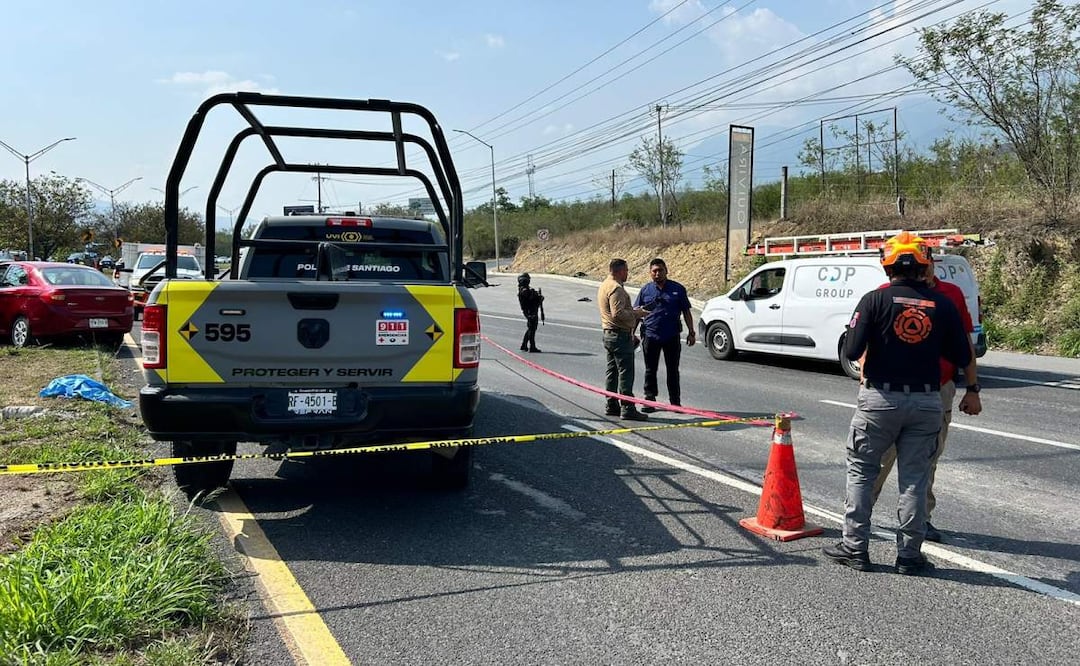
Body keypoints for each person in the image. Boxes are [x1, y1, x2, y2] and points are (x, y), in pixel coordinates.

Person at [823, 231, 972, 576]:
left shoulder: (874, 300)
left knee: (862, 471)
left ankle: (855, 547)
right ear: (924, 265)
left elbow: (850, 350)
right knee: (915, 479)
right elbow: (962, 355)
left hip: (880, 398)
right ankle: (909, 555)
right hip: (926, 400)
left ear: (887, 265)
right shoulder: (944, 305)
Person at [869, 257, 982, 542]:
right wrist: (864, 380)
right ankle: (860, 519)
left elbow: (965, 343)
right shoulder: (886, 292)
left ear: (931, 264)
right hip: (888, 390)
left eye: (926, 263)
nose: (922, 270)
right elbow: (870, 338)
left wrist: (972, 388)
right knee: (879, 460)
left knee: (926, 461)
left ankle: (920, 521)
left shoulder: (951, 295)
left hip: (937, 389)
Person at [633, 258, 696, 412]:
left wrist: (691, 332)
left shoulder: (678, 289)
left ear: (666, 270)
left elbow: (686, 311)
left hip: (671, 336)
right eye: (654, 271)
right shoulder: (645, 290)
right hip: (650, 335)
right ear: (650, 273)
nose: (657, 273)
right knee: (650, 370)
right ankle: (650, 400)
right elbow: (637, 314)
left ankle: (675, 402)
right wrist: (632, 333)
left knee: (673, 370)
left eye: (660, 270)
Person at [598, 258, 650, 421]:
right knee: (625, 372)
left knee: (612, 371)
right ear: (619, 271)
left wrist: (632, 311)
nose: (628, 273)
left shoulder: (605, 284)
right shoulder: (616, 288)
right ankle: (627, 407)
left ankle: (611, 404)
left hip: (610, 334)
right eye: (626, 270)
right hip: (618, 335)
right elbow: (618, 313)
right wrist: (637, 314)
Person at [517, 273, 545, 353]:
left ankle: (524, 345)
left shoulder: (524, 289)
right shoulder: (524, 290)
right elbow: (531, 299)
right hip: (530, 311)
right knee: (532, 329)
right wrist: (538, 298)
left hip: (530, 310)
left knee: (531, 328)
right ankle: (532, 346)